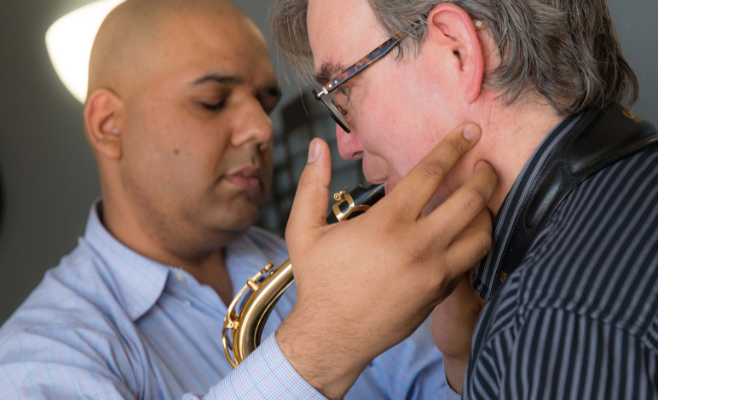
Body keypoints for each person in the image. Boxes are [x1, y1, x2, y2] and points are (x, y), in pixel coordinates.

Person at [0, 0, 494, 398]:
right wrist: (315, 351)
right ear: (109, 125)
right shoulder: (30, 362)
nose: (259, 129)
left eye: (264, 102)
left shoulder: (331, 259)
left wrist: (459, 352)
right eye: (212, 101)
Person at [268, 0, 658, 399]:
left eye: (345, 91)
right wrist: (460, 356)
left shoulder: (548, 321)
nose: (345, 144)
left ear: (458, 51)